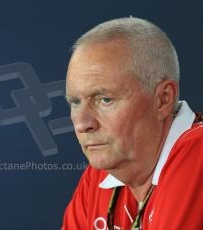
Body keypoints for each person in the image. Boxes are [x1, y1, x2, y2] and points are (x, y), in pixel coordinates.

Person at [62, 17, 203, 229]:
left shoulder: (198, 153)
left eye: (105, 99)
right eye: (75, 102)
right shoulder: (102, 174)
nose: (83, 124)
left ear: (163, 99)